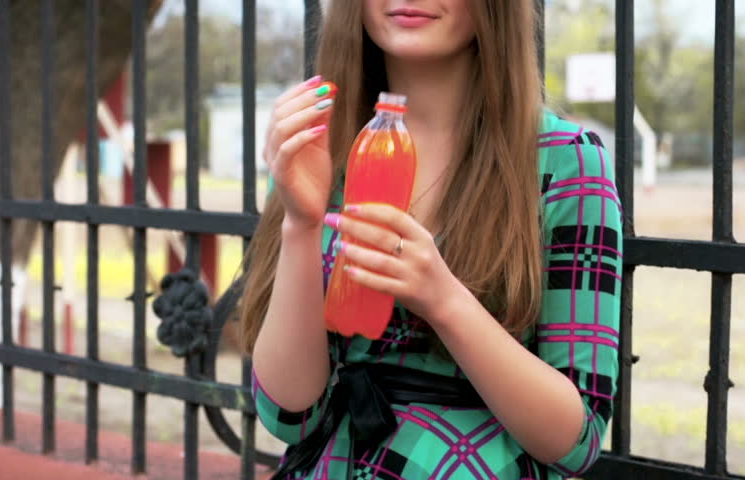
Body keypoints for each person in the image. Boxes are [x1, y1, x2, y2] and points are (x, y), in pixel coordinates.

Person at [240, 1, 623, 479]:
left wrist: (442, 299)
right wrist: (301, 223)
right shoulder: (317, 146)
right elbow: (287, 415)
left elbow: (576, 441)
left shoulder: (564, 163)